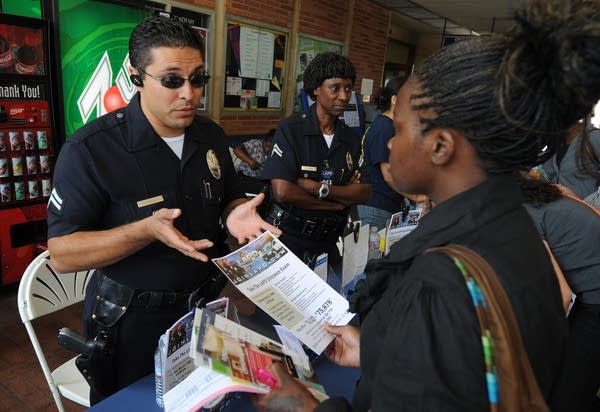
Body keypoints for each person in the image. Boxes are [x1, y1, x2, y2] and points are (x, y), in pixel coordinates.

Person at [254, 1, 600, 410]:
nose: (391, 142)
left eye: (399, 128)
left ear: (440, 146)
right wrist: (381, 351)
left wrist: (304, 406)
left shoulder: (439, 280)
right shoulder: (512, 230)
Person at [46, 15, 280, 404]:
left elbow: (228, 197)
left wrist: (235, 213)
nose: (189, 94)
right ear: (137, 76)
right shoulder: (92, 150)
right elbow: (63, 254)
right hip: (132, 321)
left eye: (198, 79)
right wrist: (145, 230)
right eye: (172, 80)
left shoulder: (210, 136)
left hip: (202, 310)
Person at [260, 52, 370, 267]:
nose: (344, 96)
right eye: (335, 88)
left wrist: (318, 188)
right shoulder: (291, 130)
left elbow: (364, 192)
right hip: (286, 238)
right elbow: (283, 191)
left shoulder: (350, 138)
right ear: (317, 89)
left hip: (327, 242)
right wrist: (337, 204)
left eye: (348, 88)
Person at [519, 175, 600, 412]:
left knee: (560, 396)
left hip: (594, 303)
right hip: (589, 297)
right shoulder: (552, 193)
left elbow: (562, 298)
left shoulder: (521, 216)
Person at [357, 77, 408, 230]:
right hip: (376, 208)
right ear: (394, 100)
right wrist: (416, 197)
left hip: (387, 207)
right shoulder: (384, 128)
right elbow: (388, 174)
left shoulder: (390, 126)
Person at [540, 119, 600, 199]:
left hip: (583, 209)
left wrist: (584, 204)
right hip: (555, 208)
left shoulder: (594, 137)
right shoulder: (556, 140)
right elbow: (545, 174)